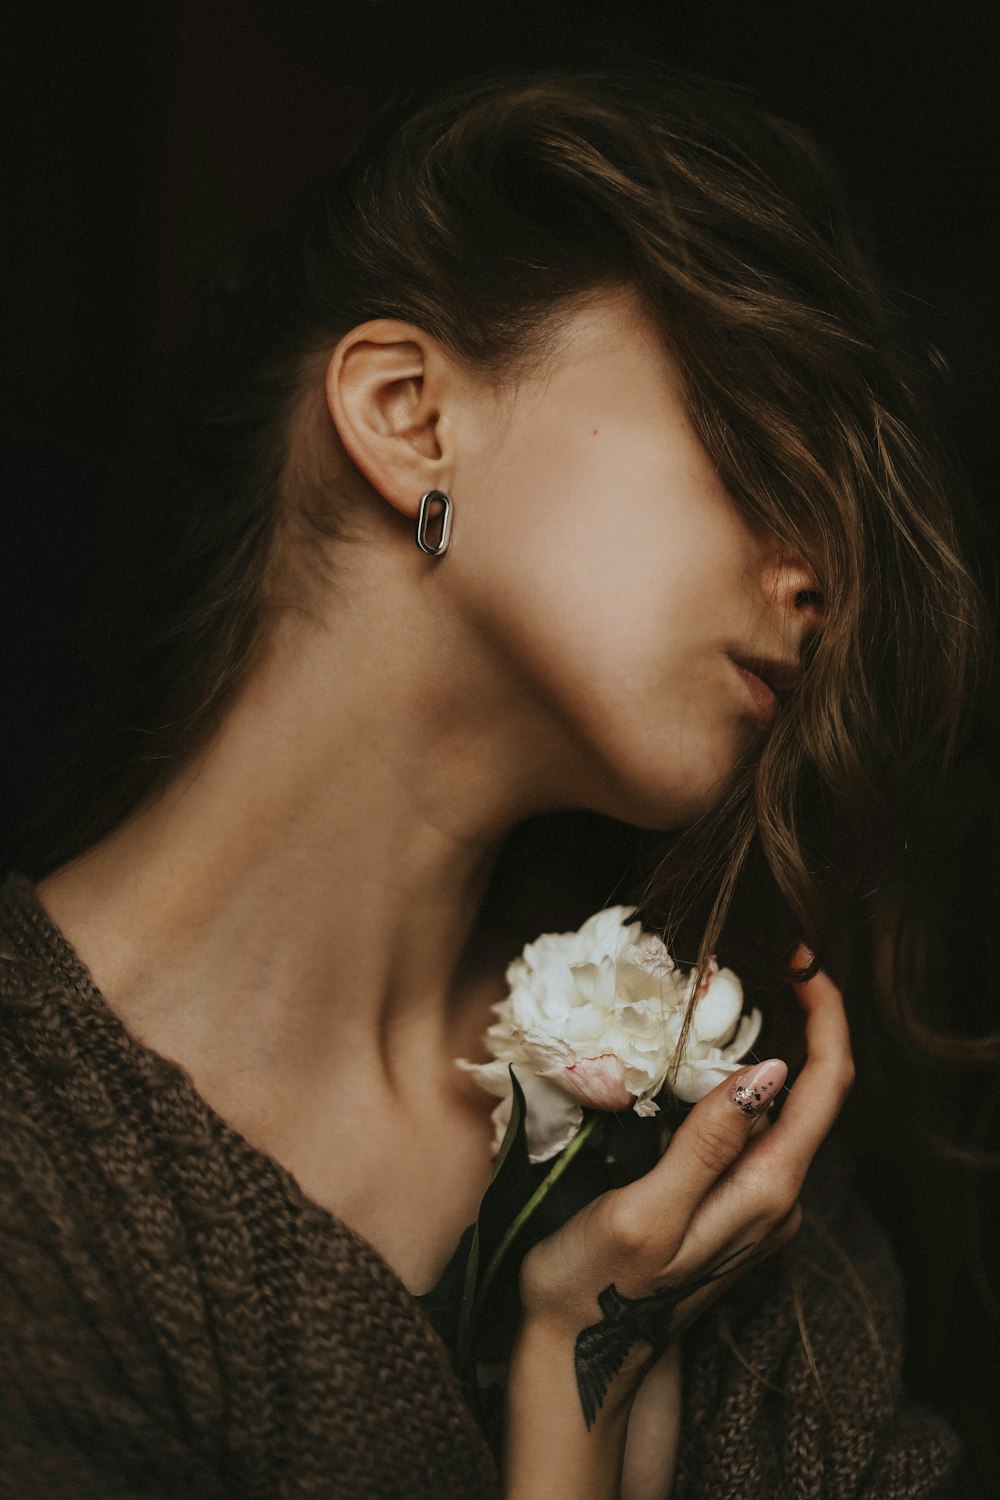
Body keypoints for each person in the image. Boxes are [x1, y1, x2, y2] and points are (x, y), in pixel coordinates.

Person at [0, 60, 992, 1498]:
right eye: (753, 439)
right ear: (408, 412)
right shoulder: (38, 1161)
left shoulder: (715, 1149)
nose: (818, 581)